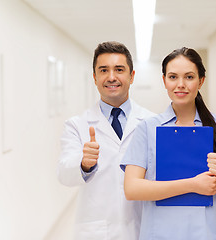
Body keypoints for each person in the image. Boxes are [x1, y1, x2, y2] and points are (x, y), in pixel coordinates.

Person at [120, 47, 216, 239]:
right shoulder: (148, 129)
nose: (181, 84)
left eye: (189, 77)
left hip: (210, 231)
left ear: (201, 81)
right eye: (173, 77)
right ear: (164, 81)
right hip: (163, 231)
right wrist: (192, 185)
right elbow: (132, 189)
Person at [58, 41, 154, 240]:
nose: (111, 77)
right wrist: (84, 164)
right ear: (94, 77)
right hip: (98, 231)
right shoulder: (77, 125)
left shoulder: (153, 123)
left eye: (119, 69)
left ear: (132, 76)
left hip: (144, 226)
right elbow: (64, 175)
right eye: (104, 70)